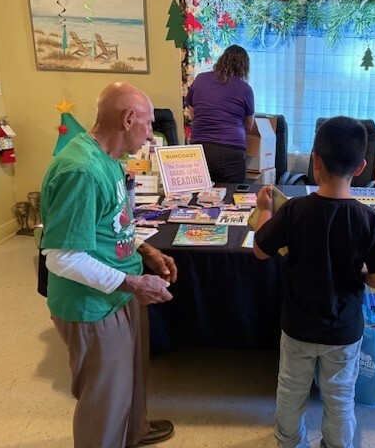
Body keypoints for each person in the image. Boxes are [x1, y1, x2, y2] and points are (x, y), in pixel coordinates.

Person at [40, 82, 177, 448]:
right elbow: (63, 256)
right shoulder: (81, 170)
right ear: (128, 119)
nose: (151, 134)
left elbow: (112, 223)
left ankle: (133, 432)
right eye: (148, 125)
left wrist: (145, 251)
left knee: (129, 380)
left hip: (117, 292)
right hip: (93, 304)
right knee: (104, 401)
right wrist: (135, 284)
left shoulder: (110, 160)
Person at [252, 116, 375, 448]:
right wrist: (357, 270)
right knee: (341, 397)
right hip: (343, 331)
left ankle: (289, 443)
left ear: (315, 160)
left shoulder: (295, 210)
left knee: (290, 393)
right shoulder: (368, 219)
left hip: (299, 326)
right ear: (360, 167)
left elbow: (260, 250)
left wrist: (264, 209)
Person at [185, 44, 255, 183]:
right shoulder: (245, 89)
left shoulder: (200, 79)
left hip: (200, 148)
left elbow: (193, 113)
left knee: (199, 196)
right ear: (244, 67)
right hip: (231, 149)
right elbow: (249, 125)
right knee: (231, 197)